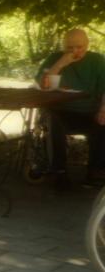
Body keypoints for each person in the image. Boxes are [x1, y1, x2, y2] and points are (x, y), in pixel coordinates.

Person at [35, 28, 105, 187]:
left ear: (87, 45)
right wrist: (60, 64)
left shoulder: (97, 61)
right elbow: (43, 85)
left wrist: (103, 109)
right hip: (60, 111)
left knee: (103, 122)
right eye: (69, 47)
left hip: (89, 111)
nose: (75, 51)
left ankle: (96, 171)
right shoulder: (54, 58)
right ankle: (58, 171)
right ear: (63, 46)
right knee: (52, 121)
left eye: (79, 47)